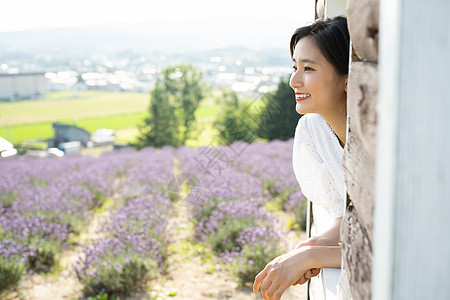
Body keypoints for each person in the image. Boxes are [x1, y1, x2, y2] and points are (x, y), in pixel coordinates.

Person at [253, 16, 350, 300]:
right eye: (294, 67)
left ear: (347, 78)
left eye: (308, 68)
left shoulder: (381, 139)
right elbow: (353, 220)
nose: (295, 80)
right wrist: (309, 248)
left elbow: (388, 243)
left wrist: (312, 258)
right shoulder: (314, 128)